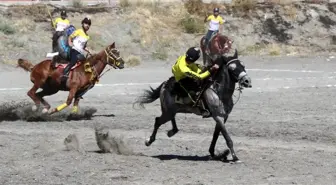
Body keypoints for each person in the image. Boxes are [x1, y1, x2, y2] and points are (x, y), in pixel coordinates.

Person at [172, 47, 219, 117]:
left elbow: (197, 69)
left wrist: (207, 68)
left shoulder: (186, 57)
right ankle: (199, 107)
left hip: (189, 67)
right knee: (196, 90)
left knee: (204, 72)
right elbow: (199, 77)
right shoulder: (183, 69)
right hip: (182, 78)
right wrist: (211, 70)